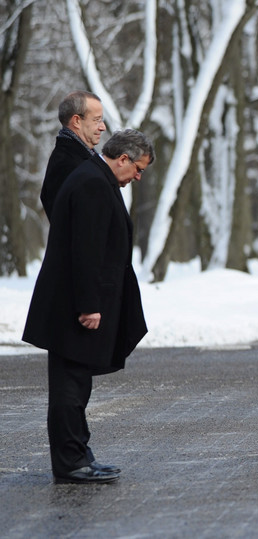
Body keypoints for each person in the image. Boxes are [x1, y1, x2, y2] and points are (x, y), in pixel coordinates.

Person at [22, 129, 154, 484]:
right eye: (138, 169)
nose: (138, 177)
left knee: (75, 385)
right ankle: (71, 462)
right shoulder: (94, 183)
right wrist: (89, 305)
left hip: (73, 303)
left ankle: (79, 454)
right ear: (123, 158)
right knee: (70, 386)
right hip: (75, 307)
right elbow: (86, 250)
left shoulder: (94, 177)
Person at [40, 91, 107, 219]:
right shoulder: (66, 164)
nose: (103, 127)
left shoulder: (80, 158)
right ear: (76, 121)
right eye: (97, 120)